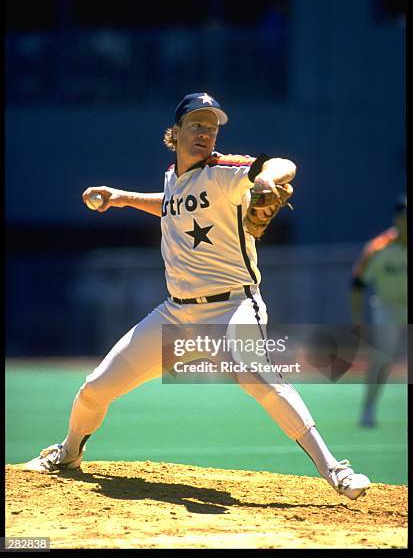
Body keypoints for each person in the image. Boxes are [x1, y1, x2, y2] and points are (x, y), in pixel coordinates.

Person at [24, 92, 370, 500]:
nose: (206, 133)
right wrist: (123, 198)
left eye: (213, 126)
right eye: (197, 124)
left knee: (260, 380)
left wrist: (266, 178)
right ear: (175, 132)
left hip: (233, 307)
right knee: (94, 388)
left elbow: (283, 165)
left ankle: (335, 471)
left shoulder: (225, 172)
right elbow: (173, 205)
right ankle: (67, 453)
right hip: (174, 315)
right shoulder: (173, 177)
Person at [350, 196, 407, 427]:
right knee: (383, 356)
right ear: (397, 219)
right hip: (388, 306)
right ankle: (369, 407)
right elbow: (357, 284)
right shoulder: (378, 248)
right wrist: (357, 320)